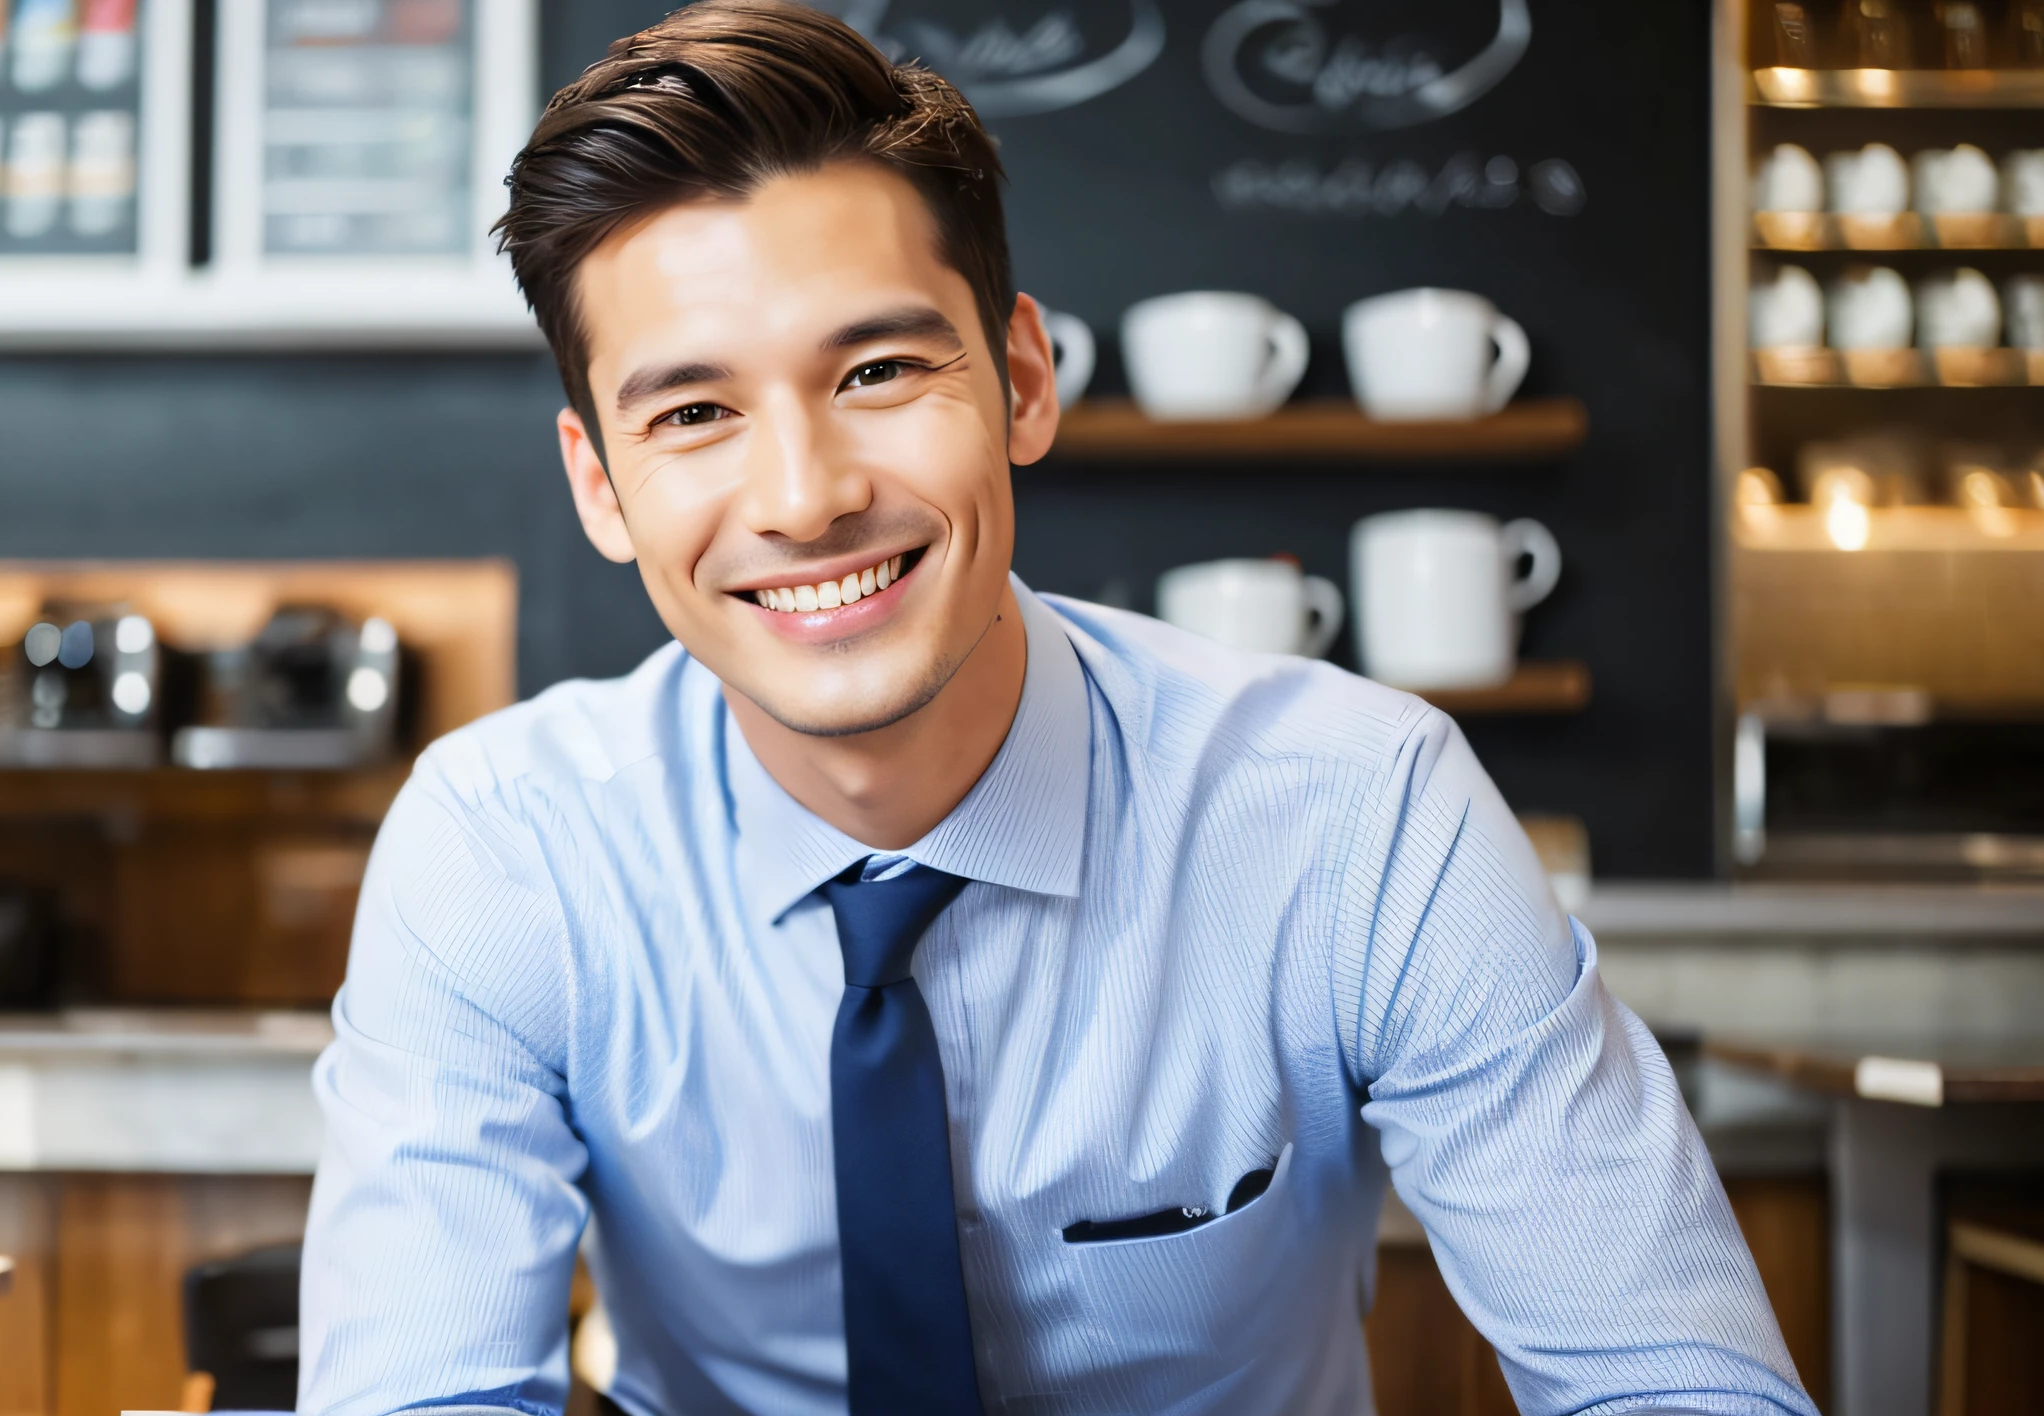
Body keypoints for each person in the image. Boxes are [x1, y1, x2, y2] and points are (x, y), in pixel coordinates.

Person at [298, 4, 1816, 1414]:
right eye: (694, 413)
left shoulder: (1362, 812)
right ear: (599, 485)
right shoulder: (503, 847)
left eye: (881, 370)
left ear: (1023, 380)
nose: (808, 496)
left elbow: (1666, 1375)